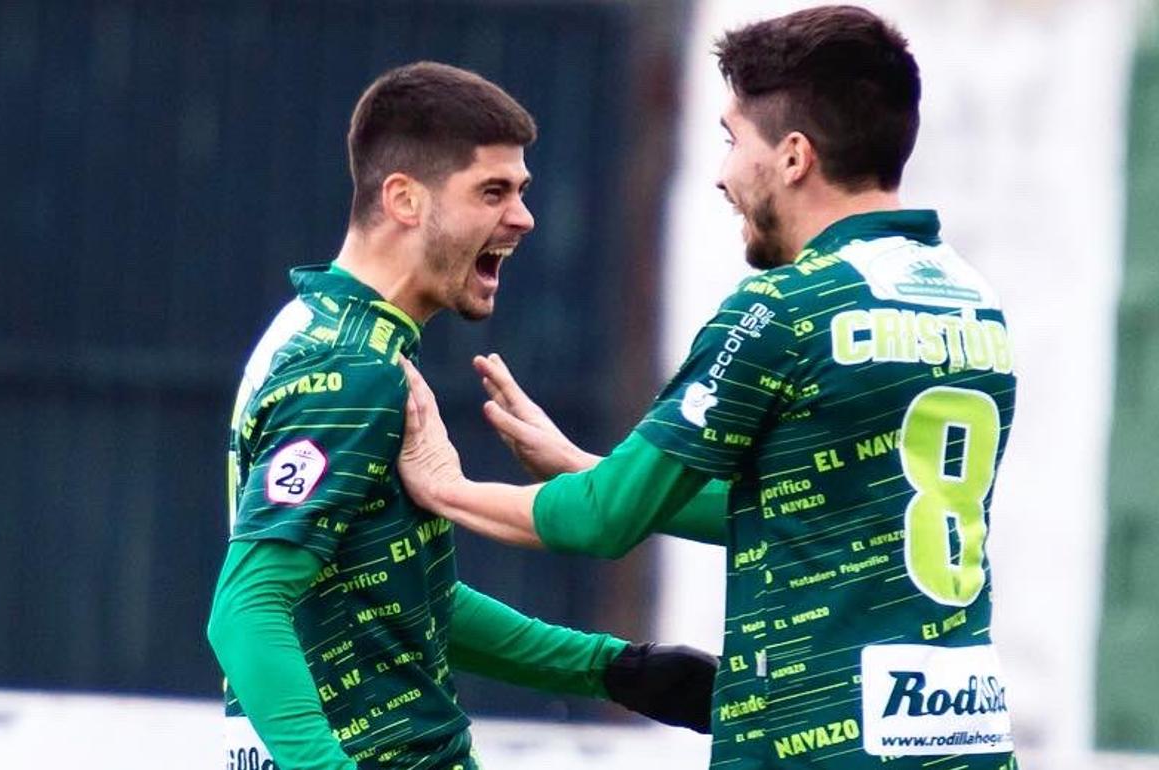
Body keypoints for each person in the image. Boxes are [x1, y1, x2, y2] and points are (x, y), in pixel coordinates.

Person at [398, 7, 1021, 769]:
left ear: (793, 157)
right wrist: (588, 467)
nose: (723, 173)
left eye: (733, 141)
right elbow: (817, 511)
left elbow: (603, 525)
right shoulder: (969, 299)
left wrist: (446, 487)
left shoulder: (782, 308)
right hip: (962, 738)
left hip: (819, 748)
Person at [206, 61, 717, 770]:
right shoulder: (354, 370)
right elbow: (245, 611)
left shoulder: (311, 326)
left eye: (523, 191)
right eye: (493, 191)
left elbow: (401, 599)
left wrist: (611, 669)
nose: (524, 216)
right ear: (405, 200)